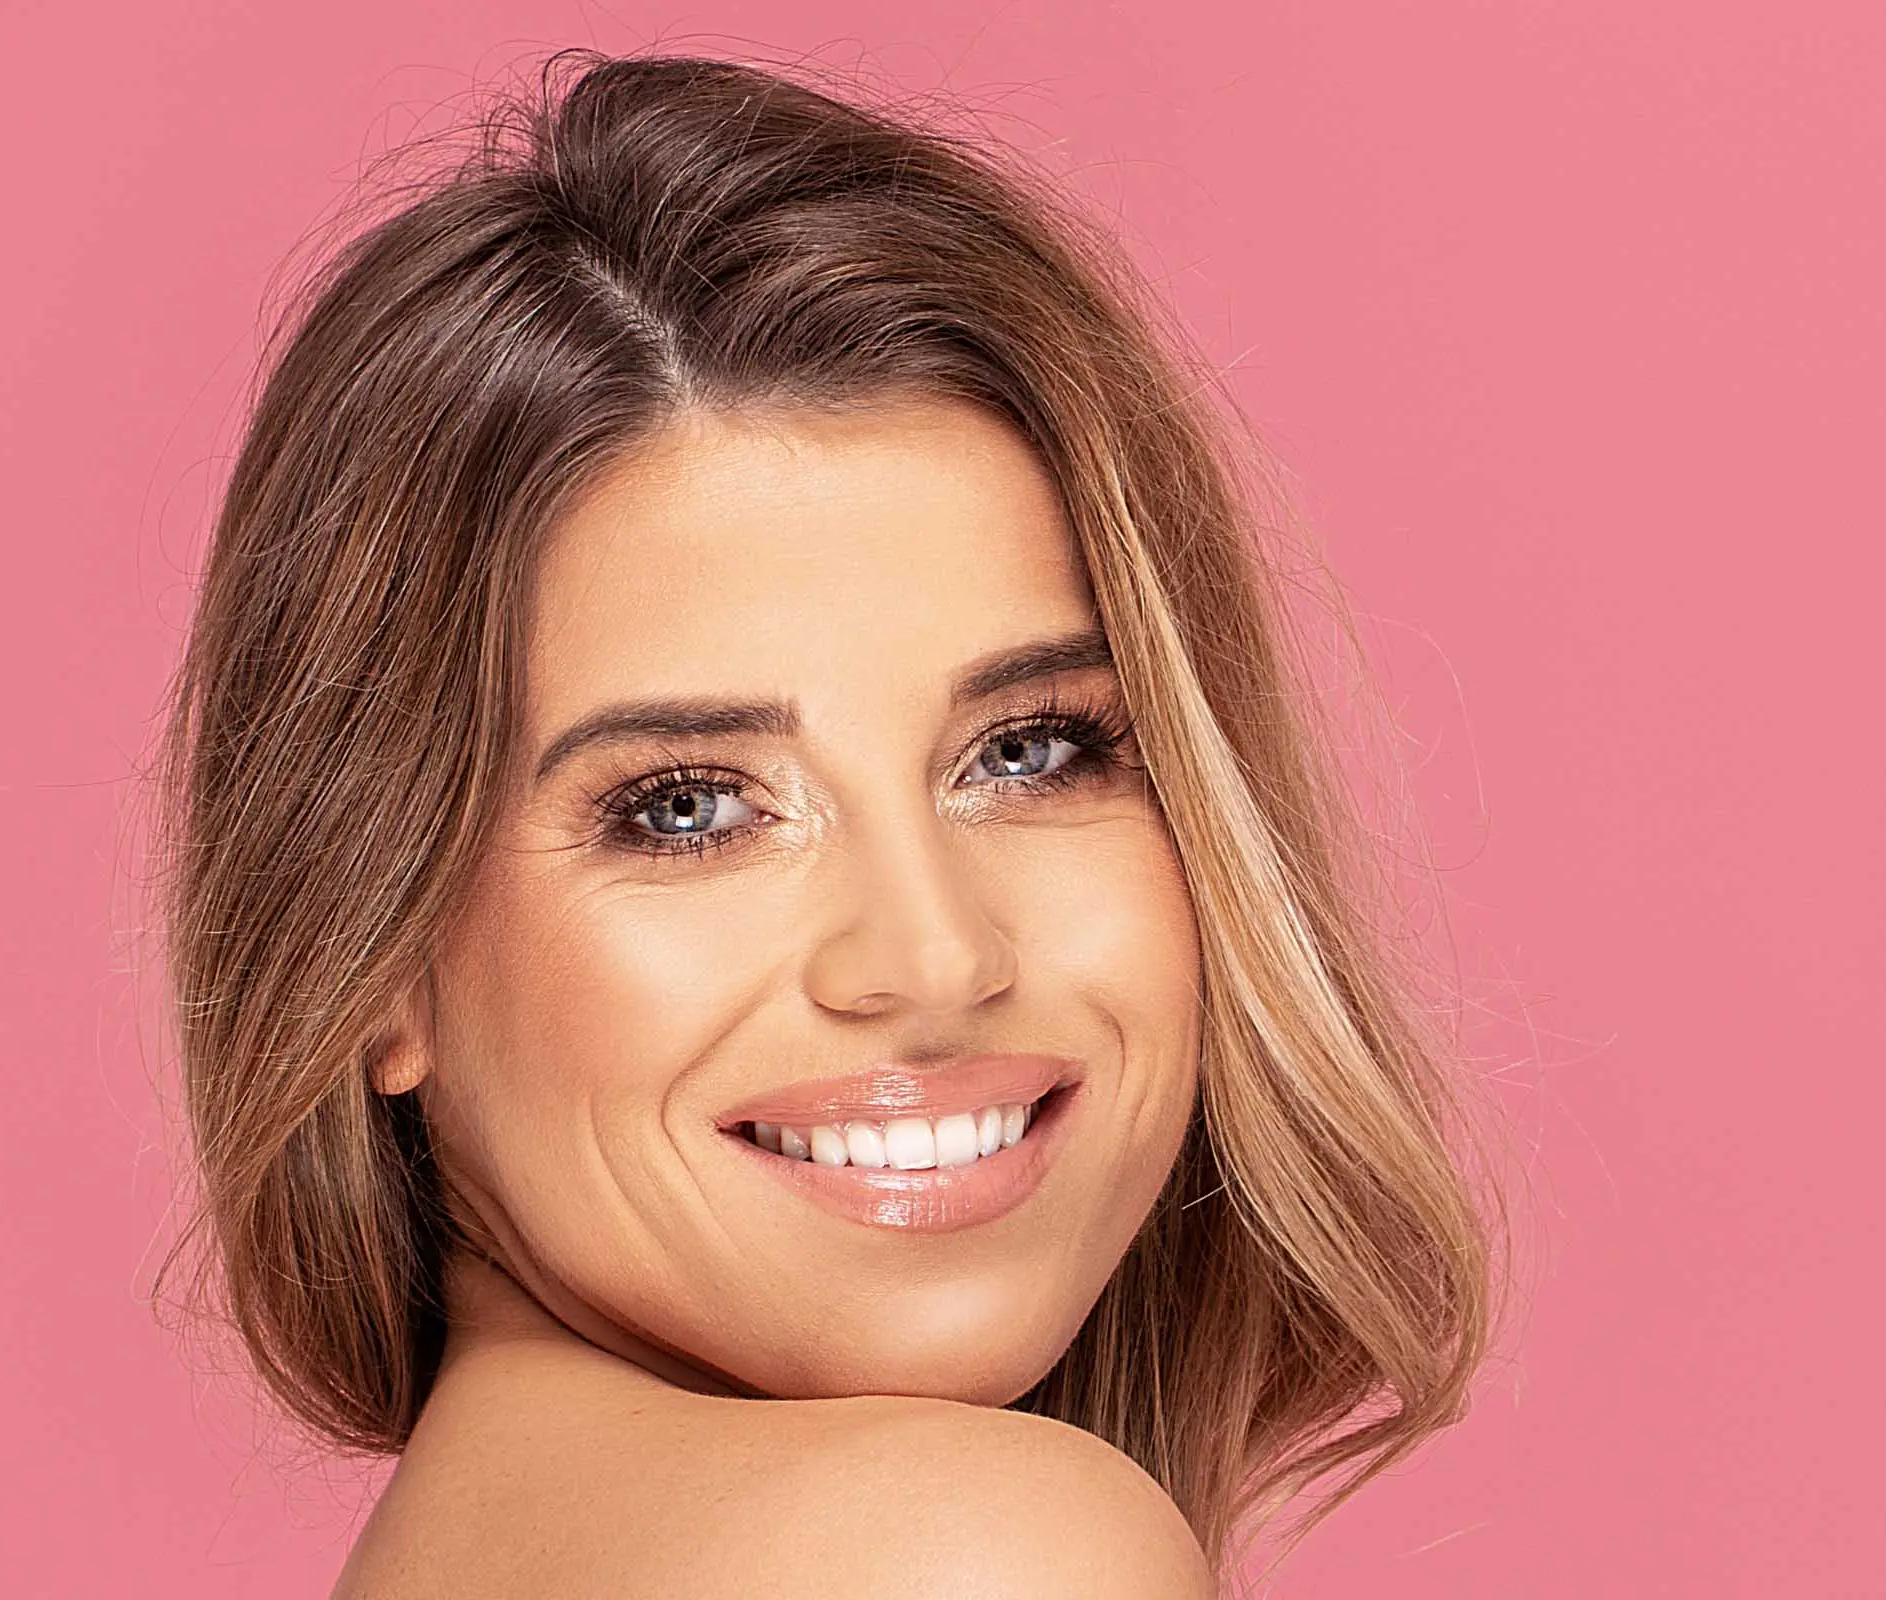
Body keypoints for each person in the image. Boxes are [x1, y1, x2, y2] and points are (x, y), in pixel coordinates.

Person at [156, 51, 1498, 1598]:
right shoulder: (963, 1558)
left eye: (1031, 749)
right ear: (374, 956)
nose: (933, 956)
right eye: (686, 806)